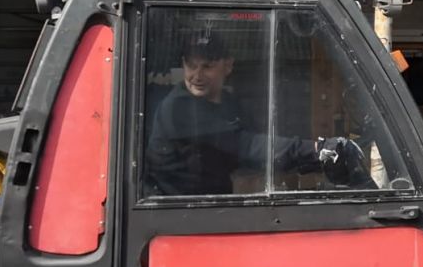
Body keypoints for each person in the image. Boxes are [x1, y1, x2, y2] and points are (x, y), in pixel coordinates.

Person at [145, 31, 359, 196]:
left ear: (228, 65)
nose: (197, 76)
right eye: (191, 66)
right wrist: (317, 149)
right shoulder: (179, 108)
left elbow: (262, 145)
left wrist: (316, 160)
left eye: (207, 66)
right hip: (177, 212)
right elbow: (247, 146)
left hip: (212, 204)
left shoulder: (228, 103)